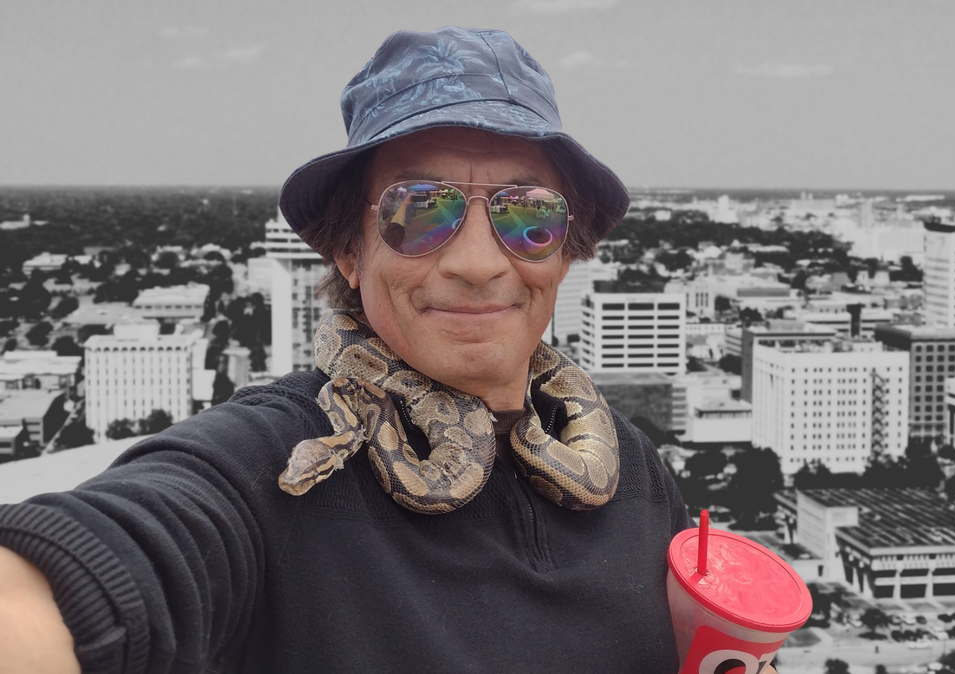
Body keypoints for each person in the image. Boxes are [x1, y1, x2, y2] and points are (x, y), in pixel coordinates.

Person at [0, 27, 780, 674]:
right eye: (420, 210)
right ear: (350, 251)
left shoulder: (634, 471)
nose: (478, 261)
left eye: (528, 216)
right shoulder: (274, 463)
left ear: (564, 251)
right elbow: (94, 571)